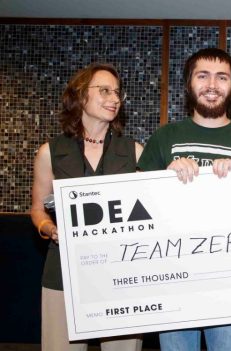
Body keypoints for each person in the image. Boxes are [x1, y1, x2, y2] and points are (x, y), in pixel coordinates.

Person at [136, 47, 231, 350]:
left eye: (222, 77)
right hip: (172, 278)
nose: (212, 85)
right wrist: (164, 179)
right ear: (188, 84)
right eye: (203, 76)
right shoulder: (165, 137)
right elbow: (138, 206)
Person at [31, 63, 143, 350]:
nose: (114, 98)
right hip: (64, 270)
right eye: (105, 90)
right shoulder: (50, 152)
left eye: (117, 92)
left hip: (122, 272)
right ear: (80, 96)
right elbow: (37, 208)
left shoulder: (135, 151)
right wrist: (48, 228)